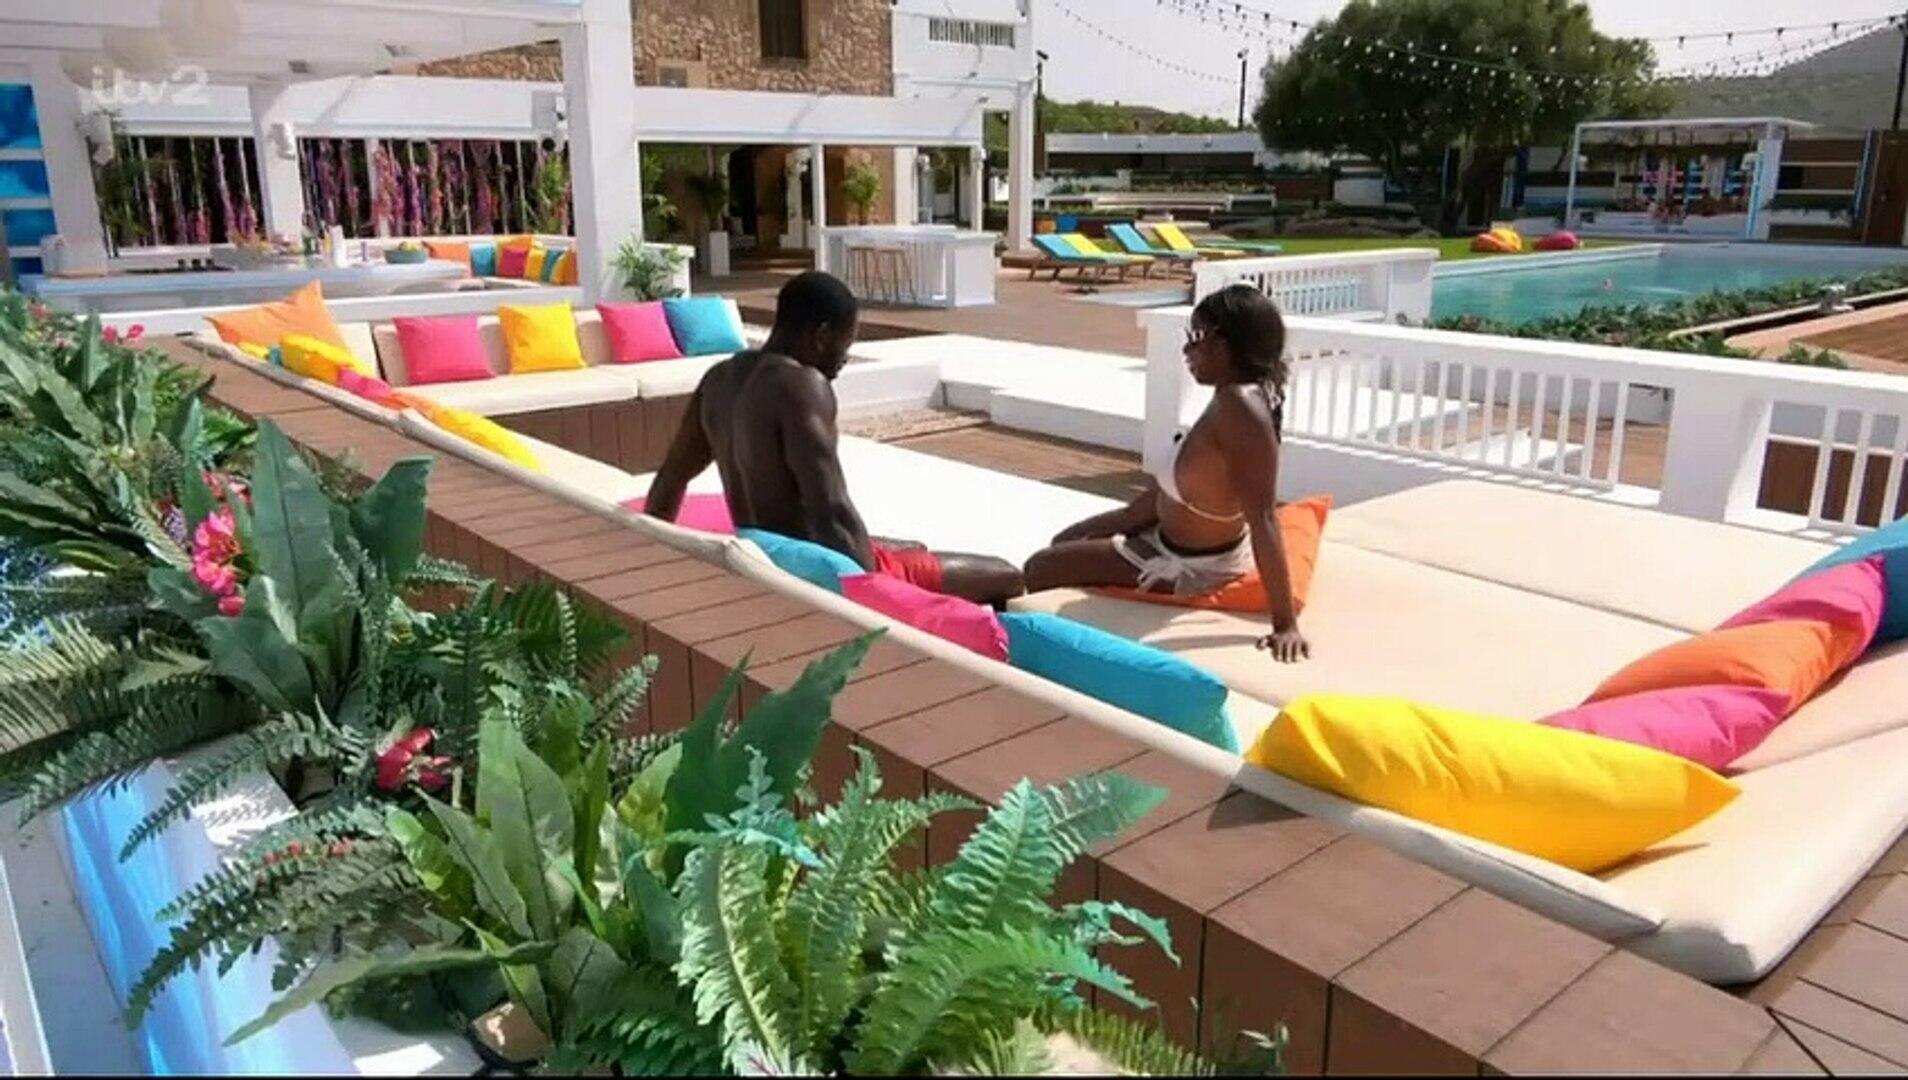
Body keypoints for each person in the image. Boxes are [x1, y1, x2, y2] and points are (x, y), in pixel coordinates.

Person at [641, 271, 1024, 606]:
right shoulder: (801, 385)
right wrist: (875, 594)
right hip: (816, 567)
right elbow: (830, 508)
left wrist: (650, 566)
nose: (845, 357)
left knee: (913, 546)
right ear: (822, 335)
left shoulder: (718, 381)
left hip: (762, 554)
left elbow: (669, 481)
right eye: (847, 342)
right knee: (1006, 575)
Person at [1022, 284, 1308, 662]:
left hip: (1187, 561)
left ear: (1226, 345)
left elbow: (1264, 517)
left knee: (1038, 569)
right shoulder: (1232, 396)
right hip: (1160, 525)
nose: (1187, 350)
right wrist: (1124, 521)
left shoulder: (1240, 407)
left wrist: (1285, 623)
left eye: (1196, 337)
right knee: (1062, 542)